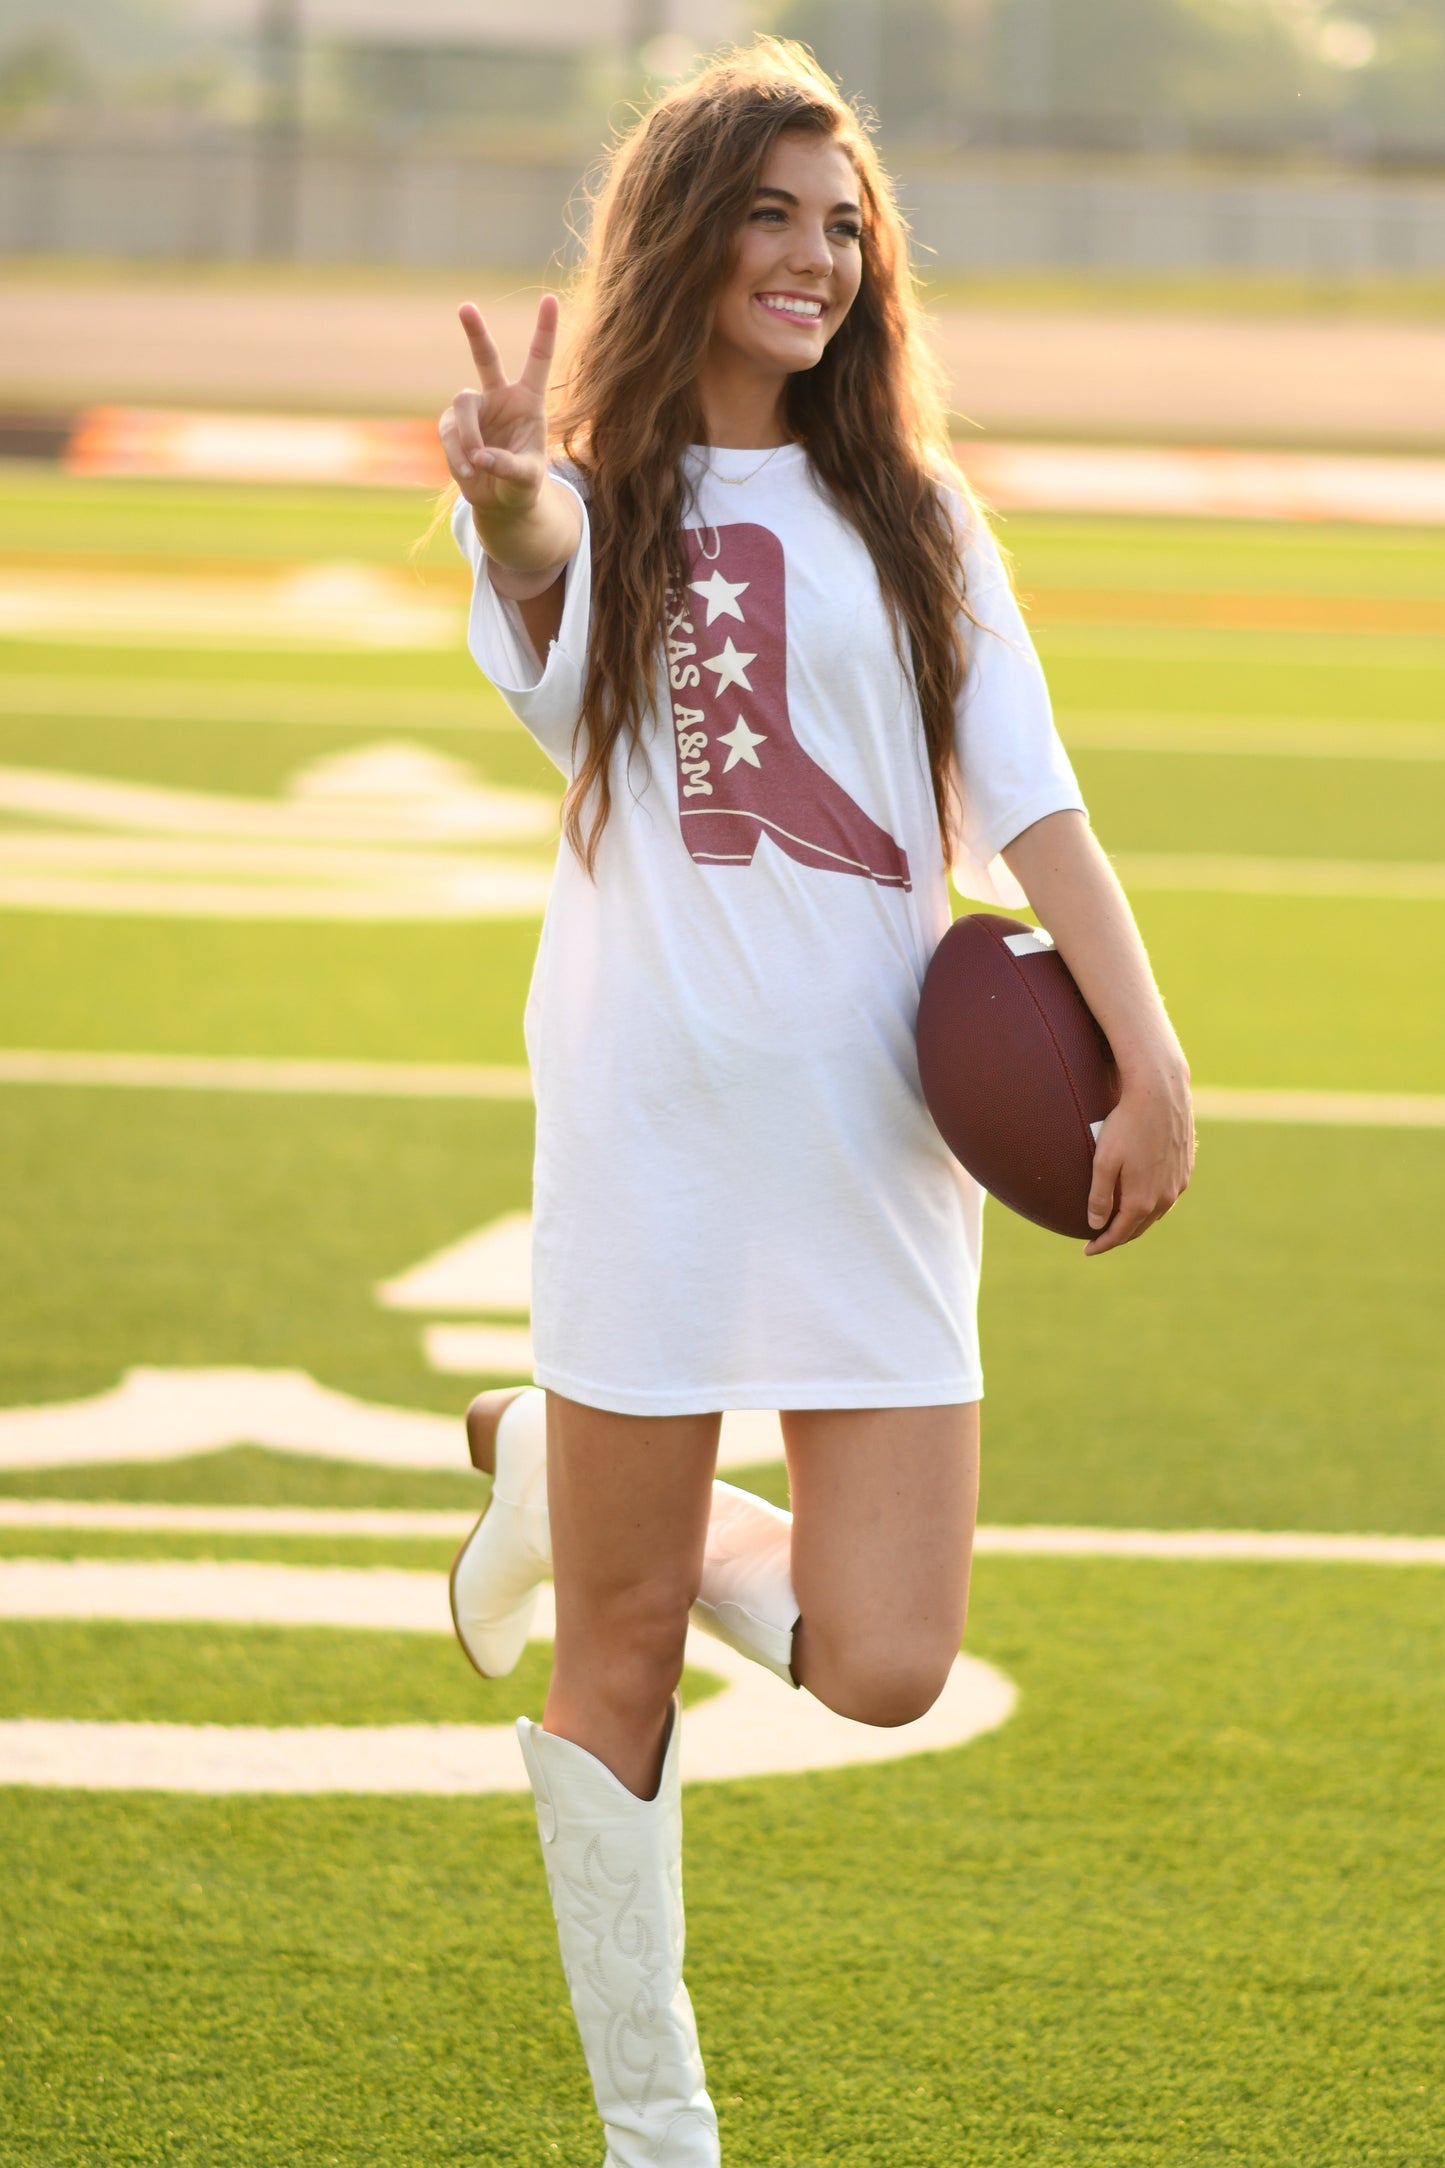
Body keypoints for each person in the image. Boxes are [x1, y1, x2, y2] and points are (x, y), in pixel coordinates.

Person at [436, 39, 1192, 2168]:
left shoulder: (920, 515)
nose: (814, 258)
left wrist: (1149, 1045)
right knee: (613, 1653)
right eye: (769, 215)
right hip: (652, 1113)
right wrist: (506, 497)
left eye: (843, 226)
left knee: (883, 1657)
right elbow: (539, 592)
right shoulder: (602, 495)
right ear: (688, 233)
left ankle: (543, 1477)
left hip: (878, 1131)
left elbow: (1030, 798)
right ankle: (657, 2130)